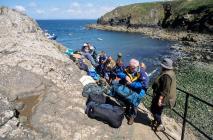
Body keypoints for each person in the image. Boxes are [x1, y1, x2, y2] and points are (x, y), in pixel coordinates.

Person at [116, 59, 146, 125]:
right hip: (128, 89)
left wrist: (131, 84)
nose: (132, 69)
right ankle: (126, 110)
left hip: (137, 91)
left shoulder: (142, 72)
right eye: (131, 67)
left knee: (134, 104)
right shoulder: (127, 68)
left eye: (134, 68)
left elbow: (144, 84)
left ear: (137, 66)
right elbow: (118, 72)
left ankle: (132, 117)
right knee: (127, 100)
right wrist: (125, 76)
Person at [151, 58, 176, 131]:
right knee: (158, 111)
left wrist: (160, 99)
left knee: (154, 110)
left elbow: (165, 89)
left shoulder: (166, 76)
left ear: (164, 66)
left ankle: (160, 124)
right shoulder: (171, 72)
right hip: (164, 96)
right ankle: (156, 121)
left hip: (162, 97)